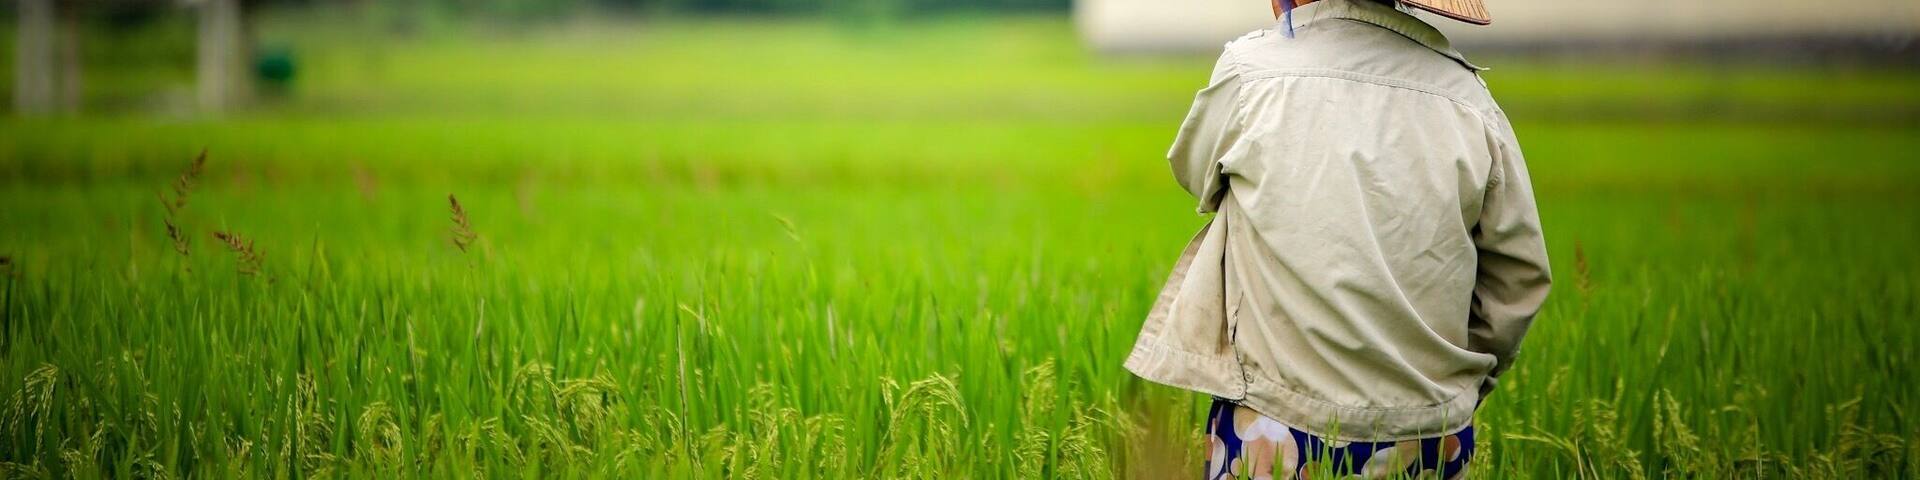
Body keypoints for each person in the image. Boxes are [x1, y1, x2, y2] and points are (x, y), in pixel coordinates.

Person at [1122, 0, 1552, 478]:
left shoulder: (1251, 73)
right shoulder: (1468, 97)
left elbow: (1194, 171)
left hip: (1276, 426)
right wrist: (1453, 387)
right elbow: (1519, 274)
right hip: (1431, 437)